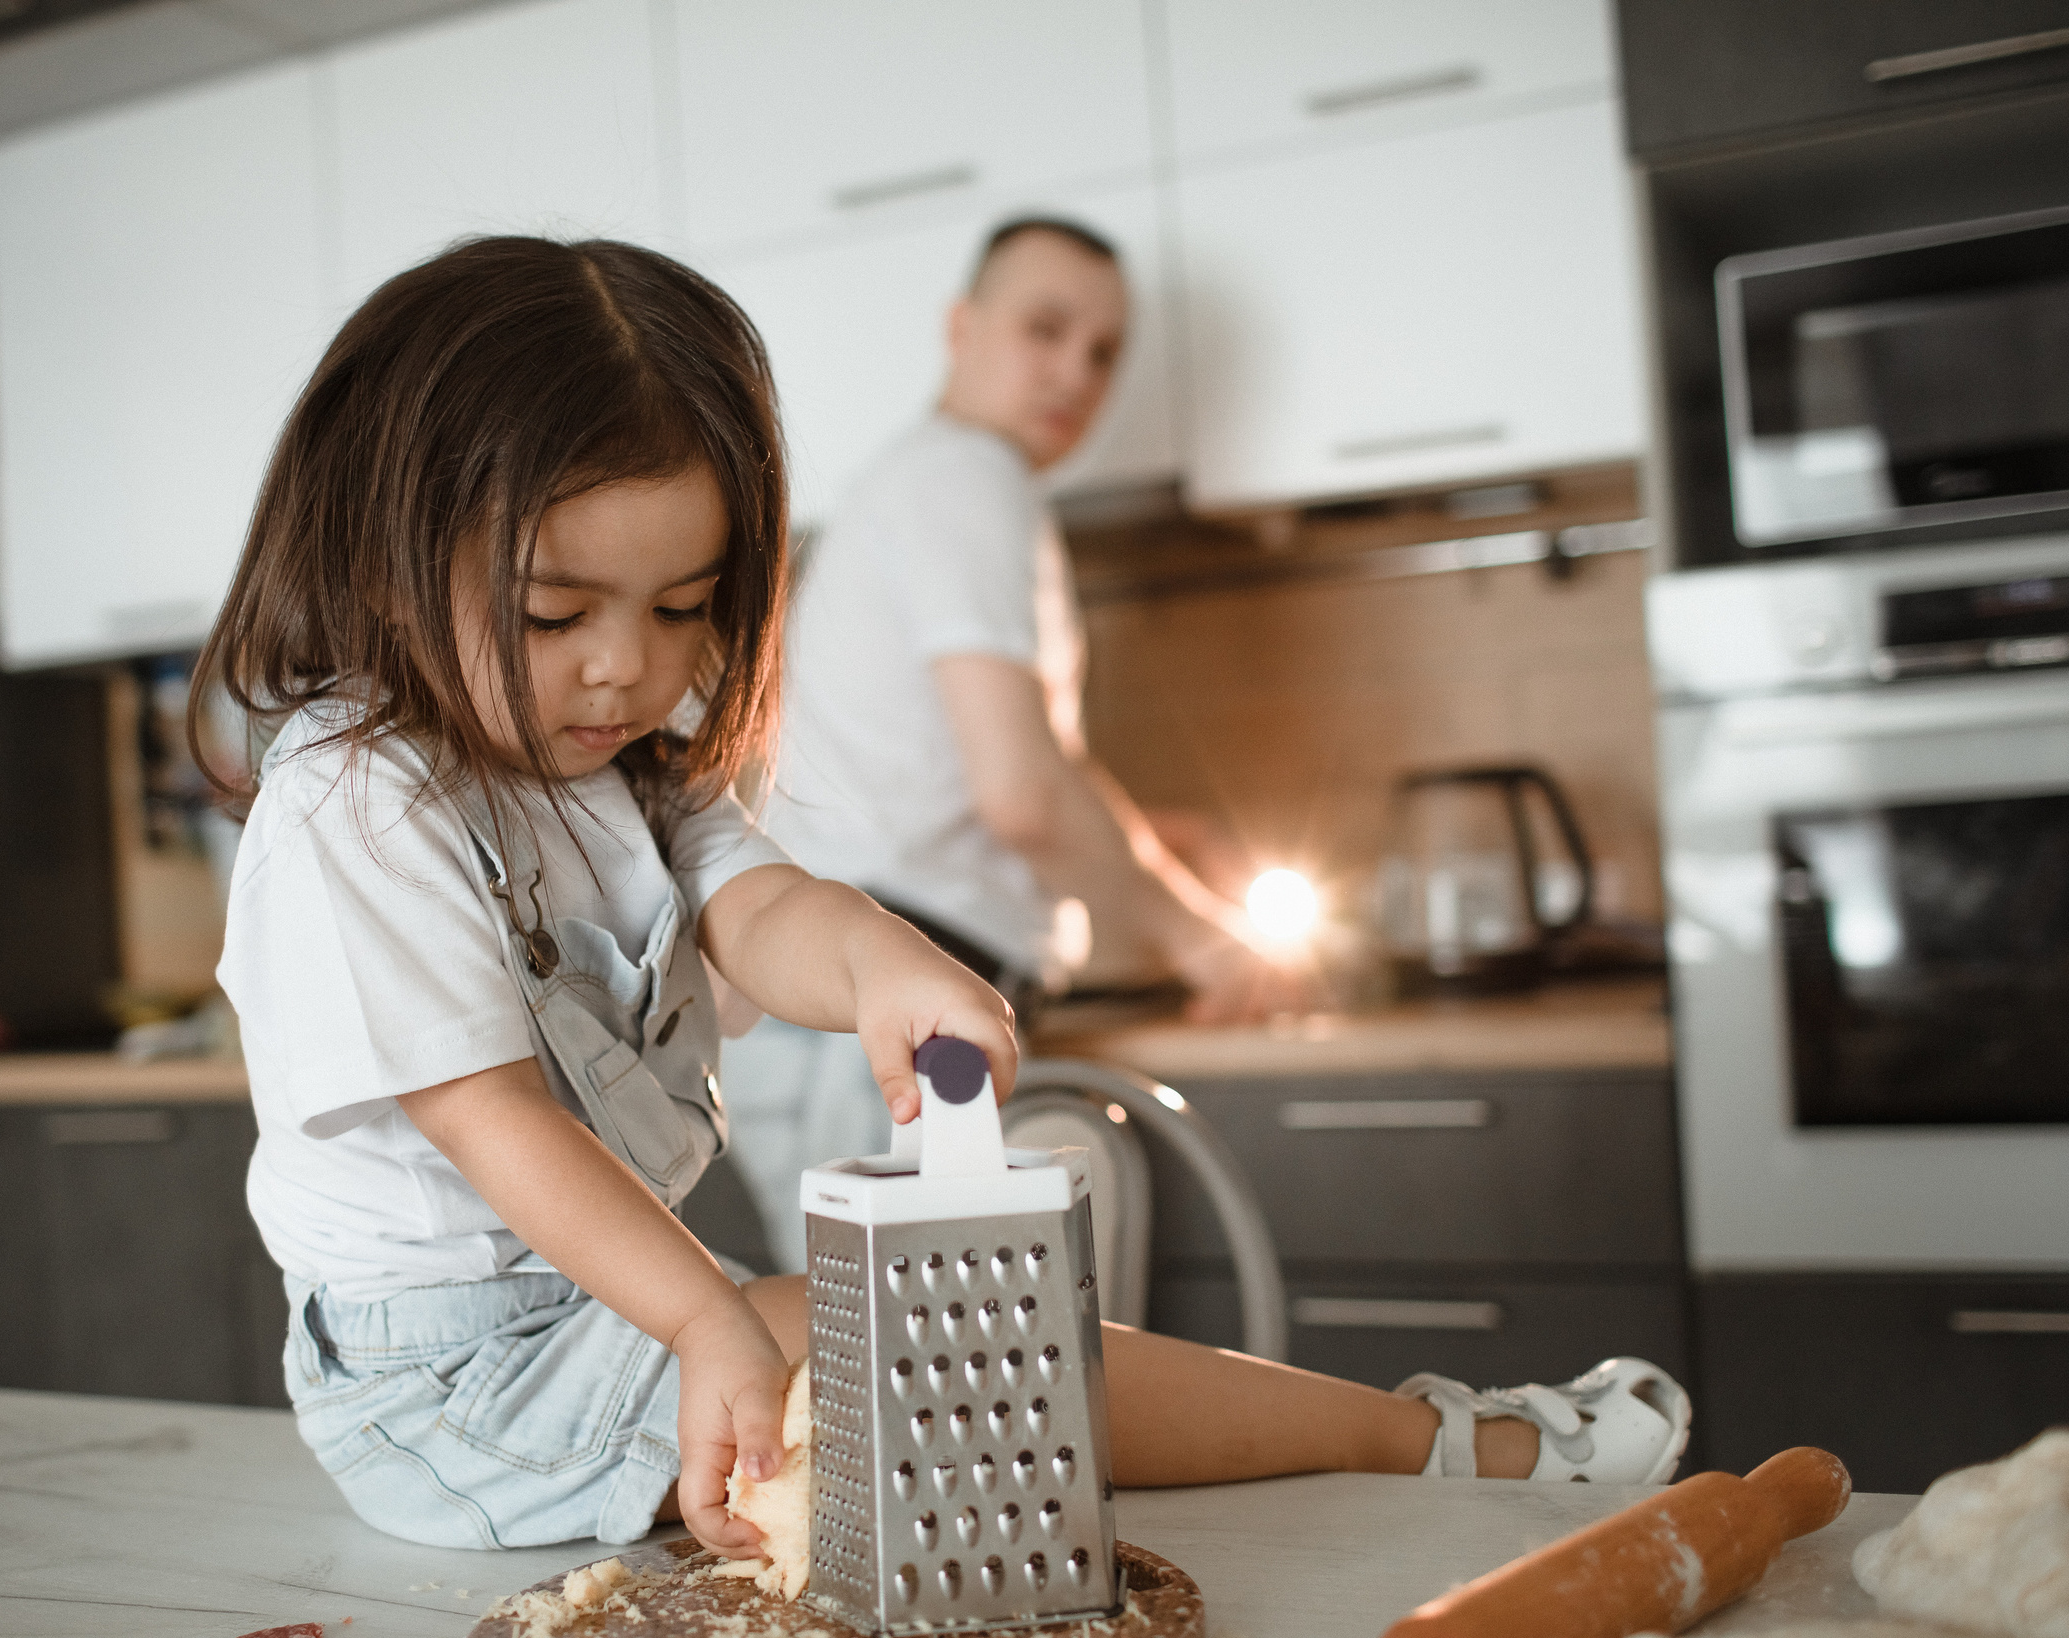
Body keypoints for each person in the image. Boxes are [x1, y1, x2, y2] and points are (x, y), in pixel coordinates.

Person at [197, 236, 1692, 1561]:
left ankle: (1431, 1447)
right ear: (388, 555)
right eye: (554, 611)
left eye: (681, 606)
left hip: (616, 1311)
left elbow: (764, 909)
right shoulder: (358, 793)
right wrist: (707, 1317)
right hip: (452, 1388)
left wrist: (886, 959)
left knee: (985, 1343)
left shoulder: (615, 771)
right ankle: (1453, 1453)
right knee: (955, 1349)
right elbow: (493, 1118)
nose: (628, 667)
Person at [725, 216, 1290, 1273]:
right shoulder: (966, 480)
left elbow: (951, 786)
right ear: (962, 327)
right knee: (920, 1408)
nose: (1075, 370)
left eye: (1103, 350)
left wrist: (1159, 841)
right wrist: (1202, 937)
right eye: (1046, 328)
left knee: (875, 1395)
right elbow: (1022, 795)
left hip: (836, 1021)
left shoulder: (915, 483)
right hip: (884, 1020)